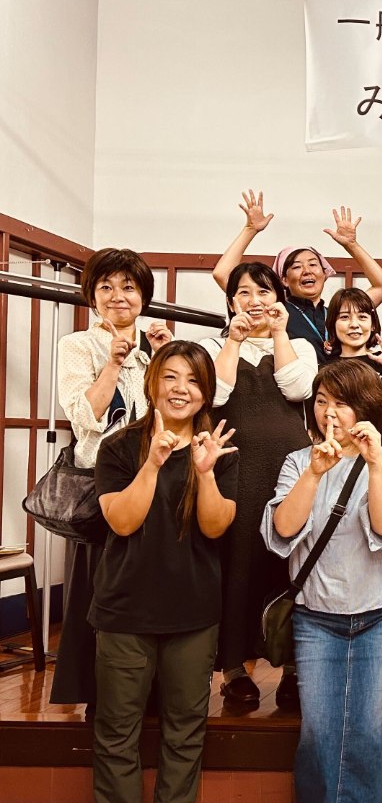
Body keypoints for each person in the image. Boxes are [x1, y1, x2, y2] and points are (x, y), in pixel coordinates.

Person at [91, 341, 237, 803]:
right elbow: (122, 521)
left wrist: (206, 473)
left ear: (207, 392)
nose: (180, 388)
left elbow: (216, 527)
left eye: (193, 380)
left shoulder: (219, 450)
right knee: (116, 733)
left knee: (186, 732)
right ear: (152, 382)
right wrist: (153, 464)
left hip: (193, 614)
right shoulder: (118, 447)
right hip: (124, 612)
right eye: (171, 376)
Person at [264, 360, 382, 803]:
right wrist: (313, 473)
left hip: (381, 612)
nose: (329, 412)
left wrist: (374, 464)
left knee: (367, 729)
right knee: (317, 729)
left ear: (364, 408)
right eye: (322, 401)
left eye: (342, 403)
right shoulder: (298, 462)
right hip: (316, 616)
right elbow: (283, 530)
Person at [52, 247, 172, 708]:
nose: (118, 296)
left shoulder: (157, 343)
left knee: (154, 581)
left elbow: (179, 409)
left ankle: (155, 692)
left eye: (128, 287)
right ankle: (100, 697)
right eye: (106, 287)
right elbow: (85, 417)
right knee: (101, 588)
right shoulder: (77, 345)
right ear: (92, 296)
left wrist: (165, 356)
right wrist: (114, 363)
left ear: (144, 296)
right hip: (102, 480)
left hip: (158, 476)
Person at [199, 262, 318, 708]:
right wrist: (234, 340)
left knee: (291, 563)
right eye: (244, 293)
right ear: (231, 302)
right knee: (237, 563)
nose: (255, 301)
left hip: (290, 470)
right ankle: (233, 669)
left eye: (264, 292)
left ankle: (292, 668)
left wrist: (279, 333)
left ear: (279, 299)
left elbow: (298, 389)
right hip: (235, 468)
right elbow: (213, 394)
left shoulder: (300, 345)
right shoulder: (212, 346)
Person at [212, 190, 382, 359]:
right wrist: (250, 229)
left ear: (325, 273)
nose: (307, 270)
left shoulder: (339, 312)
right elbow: (222, 274)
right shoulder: (275, 309)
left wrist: (351, 245)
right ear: (283, 279)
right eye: (297, 267)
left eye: (313, 264)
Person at [323, 286, 382, 375]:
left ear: (373, 325)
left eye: (362, 317)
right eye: (345, 317)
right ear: (333, 324)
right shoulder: (325, 370)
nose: (354, 325)